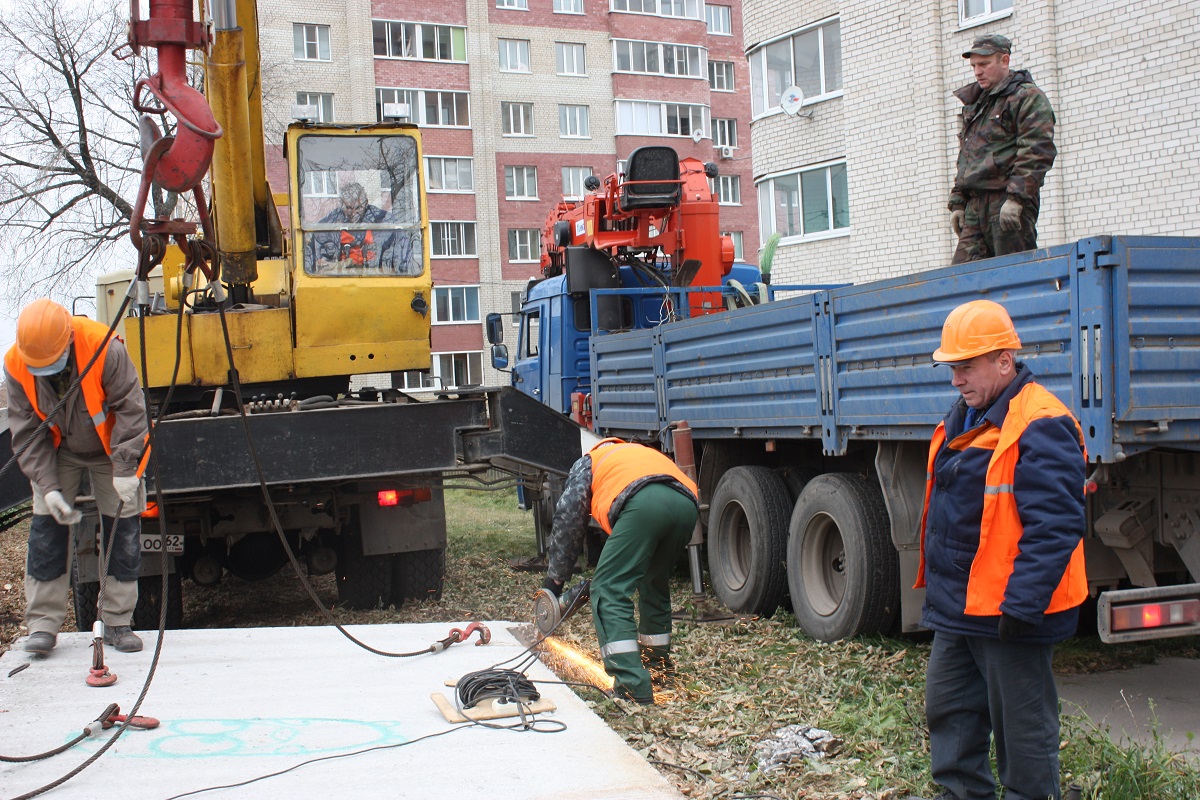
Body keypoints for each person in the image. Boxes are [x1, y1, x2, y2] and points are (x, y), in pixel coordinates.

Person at [911, 300, 1087, 800]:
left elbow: (1056, 526)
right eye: (952, 369)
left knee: (1023, 732)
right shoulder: (970, 414)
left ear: (1003, 362)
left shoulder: (1041, 422)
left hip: (1011, 612)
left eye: (965, 367)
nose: (955, 380)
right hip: (960, 607)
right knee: (950, 712)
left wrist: (1023, 606)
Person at [4, 299, 149, 655]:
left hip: (110, 448)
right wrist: (48, 488)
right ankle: (42, 626)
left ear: (68, 339)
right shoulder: (15, 364)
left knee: (123, 527)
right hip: (59, 449)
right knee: (46, 532)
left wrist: (126, 469)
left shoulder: (103, 348)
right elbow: (26, 431)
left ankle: (118, 621)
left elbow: (131, 408)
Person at [541, 437, 699, 704]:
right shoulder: (633, 453)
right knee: (653, 584)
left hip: (645, 504)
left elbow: (568, 521)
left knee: (608, 589)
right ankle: (657, 671)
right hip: (686, 505)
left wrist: (553, 583)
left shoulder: (587, 463)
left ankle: (631, 686)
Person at [949, 34, 1056, 265]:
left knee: (1014, 278)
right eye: (974, 66)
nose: (977, 71)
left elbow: (1037, 149)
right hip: (975, 207)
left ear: (1004, 61)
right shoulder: (977, 105)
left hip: (1005, 202)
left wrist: (1016, 198)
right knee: (961, 282)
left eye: (984, 64)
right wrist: (958, 202)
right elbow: (967, 157)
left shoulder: (1025, 97)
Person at [308, 181, 416, 274]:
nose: (354, 213)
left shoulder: (385, 222)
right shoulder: (327, 225)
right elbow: (315, 260)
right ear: (341, 205)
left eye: (358, 208)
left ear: (366, 204)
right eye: (349, 208)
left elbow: (402, 255)